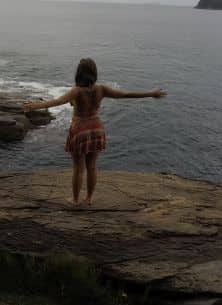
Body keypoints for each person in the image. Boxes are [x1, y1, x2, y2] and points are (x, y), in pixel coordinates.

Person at [22, 58, 166, 206]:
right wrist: (151, 93)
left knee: (78, 169)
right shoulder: (101, 89)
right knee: (92, 167)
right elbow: (125, 94)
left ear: (79, 73)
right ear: (94, 73)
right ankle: (89, 199)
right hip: (96, 128)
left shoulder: (76, 91)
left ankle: (75, 200)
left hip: (80, 129)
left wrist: (34, 106)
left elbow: (57, 102)